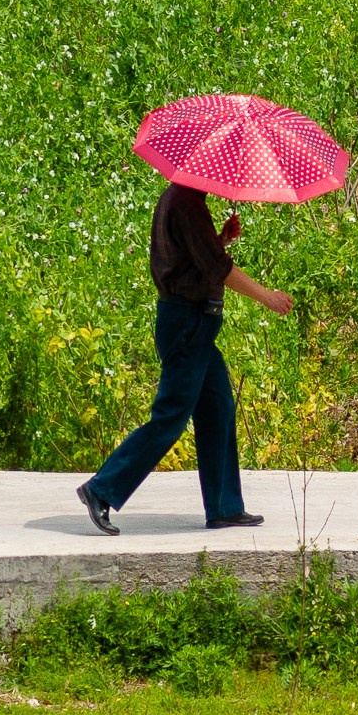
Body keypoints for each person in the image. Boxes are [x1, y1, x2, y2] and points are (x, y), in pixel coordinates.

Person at [77, 182, 295, 535]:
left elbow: (190, 257)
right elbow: (218, 269)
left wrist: (219, 237)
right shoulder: (186, 203)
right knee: (170, 417)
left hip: (195, 325)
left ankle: (224, 506)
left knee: (218, 407)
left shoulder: (182, 200)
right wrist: (267, 297)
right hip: (187, 323)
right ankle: (102, 489)